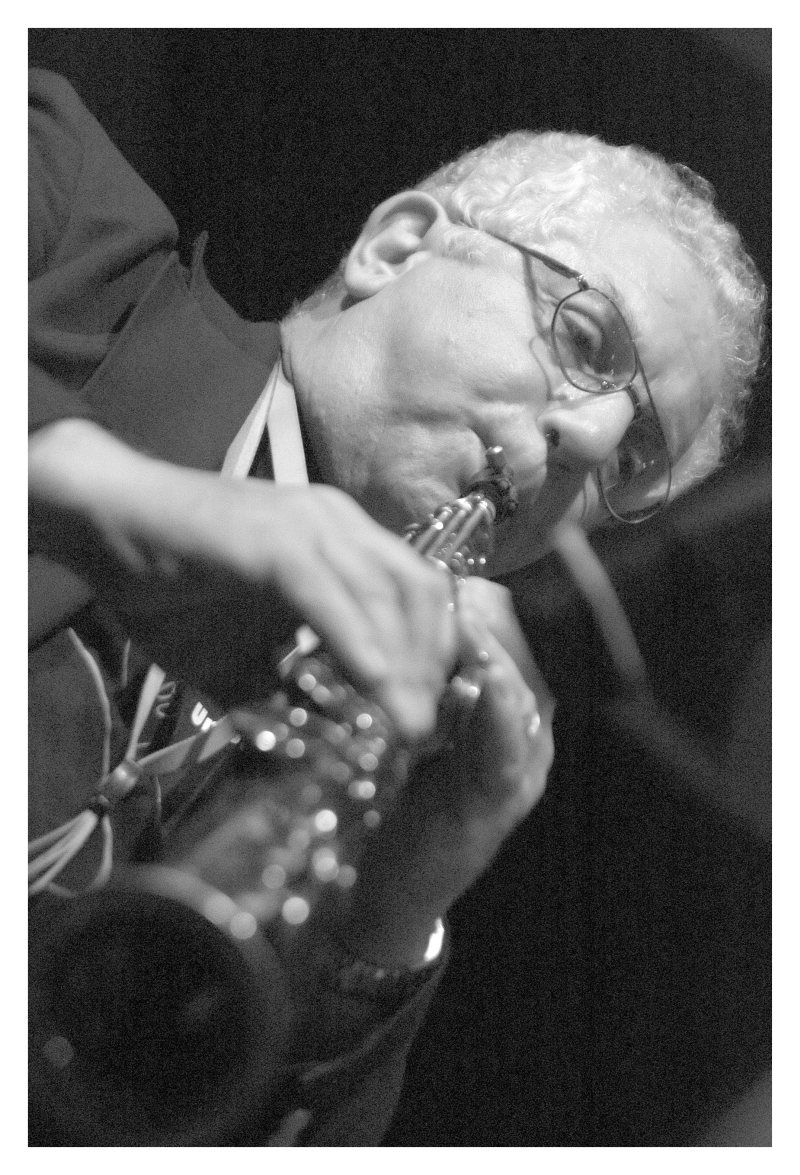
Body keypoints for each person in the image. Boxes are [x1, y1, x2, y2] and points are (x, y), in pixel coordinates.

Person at [28, 67, 765, 1145]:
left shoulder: (370, 782)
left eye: (634, 461)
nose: (590, 439)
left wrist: (388, 916)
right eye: (583, 341)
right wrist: (109, 495)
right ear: (398, 244)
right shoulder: (60, 197)